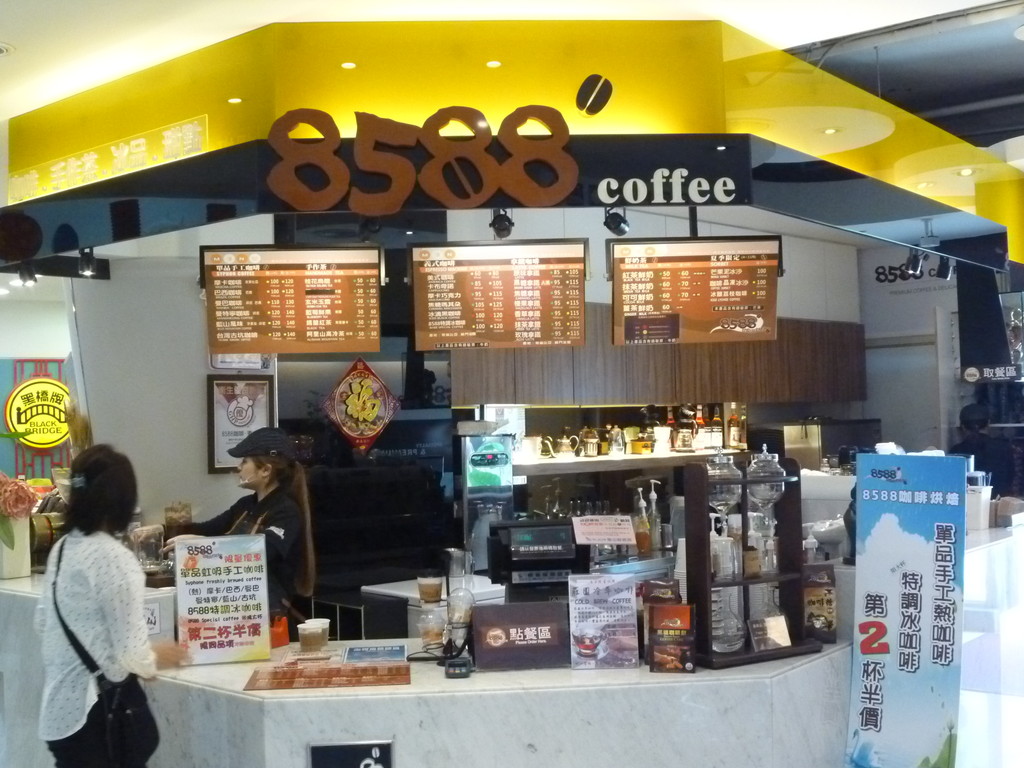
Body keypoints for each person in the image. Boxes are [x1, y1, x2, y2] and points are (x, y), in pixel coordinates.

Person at [36, 444, 184, 768]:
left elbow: (43, 623)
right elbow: (131, 655)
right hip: (96, 717)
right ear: (122, 499)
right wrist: (160, 656)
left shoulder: (63, 548)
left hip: (59, 713)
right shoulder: (114, 558)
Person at [166, 427, 316, 625]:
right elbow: (207, 529)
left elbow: (262, 550)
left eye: (244, 461)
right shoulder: (245, 505)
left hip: (268, 610)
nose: (238, 468)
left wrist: (203, 544)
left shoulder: (286, 511)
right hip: (236, 604)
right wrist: (162, 531)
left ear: (265, 470)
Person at [949, 402, 1016, 497]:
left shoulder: (956, 451)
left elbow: (952, 482)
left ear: (963, 427)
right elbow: (1010, 478)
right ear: (988, 424)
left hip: (967, 502)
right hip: (998, 501)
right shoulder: (1004, 448)